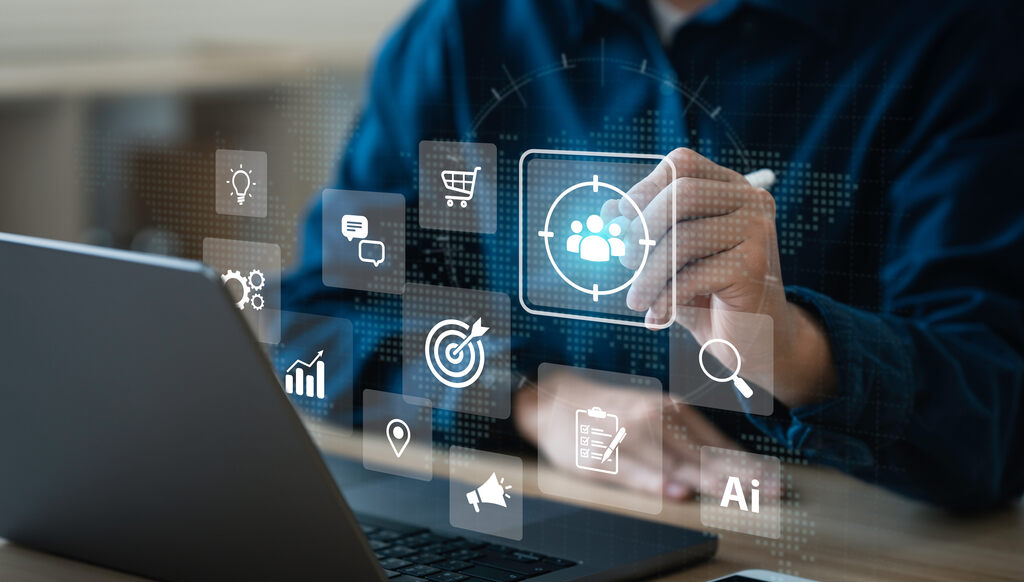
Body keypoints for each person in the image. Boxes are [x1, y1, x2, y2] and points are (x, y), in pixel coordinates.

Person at [282, 0, 1024, 511]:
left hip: (817, 562)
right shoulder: (461, 30)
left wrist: (787, 343)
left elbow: (992, 418)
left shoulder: (959, 40)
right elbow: (316, 316)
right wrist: (531, 401)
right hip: (521, 516)